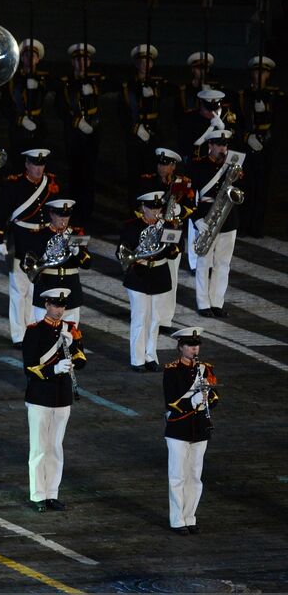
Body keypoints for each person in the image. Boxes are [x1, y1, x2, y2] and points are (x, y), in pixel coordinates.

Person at [23, 288, 87, 512]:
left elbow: (81, 359)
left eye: (62, 306)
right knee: (39, 448)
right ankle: (37, 495)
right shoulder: (34, 331)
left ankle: (52, 493)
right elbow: (30, 368)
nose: (59, 310)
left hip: (62, 395)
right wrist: (53, 369)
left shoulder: (70, 329)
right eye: (55, 305)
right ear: (46, 305)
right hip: (40, 395)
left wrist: (71, 350)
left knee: (56, 447)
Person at [0, 149, 58, 344]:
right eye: (35, 165)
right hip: (20, 240)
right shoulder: (14, 184)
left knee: (37, 291)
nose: (39, 169)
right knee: (19, 290)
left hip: (44, 241)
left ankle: (33, 329)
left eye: (42, 165)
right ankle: (19, 335)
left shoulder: (50, 183)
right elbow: (1, 211)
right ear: (27, 165)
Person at [163, 327, 219, 535]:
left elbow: (215, 396)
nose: (194, 349)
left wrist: (207, 399)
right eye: (190, 345)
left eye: (196, 345)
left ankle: (190, 516)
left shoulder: (206, 369)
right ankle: (177, 519)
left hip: (200, 429)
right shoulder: (171, 370)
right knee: (177, 476)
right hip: (178, 428)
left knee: (195, 476)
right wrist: (192, 402)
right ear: (181, 347)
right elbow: (171, 403)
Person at [134, 149, 194, 331]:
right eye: (160, 163)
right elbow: (137, 206)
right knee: (149, 278)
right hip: (152, 234)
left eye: (166, 164)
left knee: (171, 278)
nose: (162, 167)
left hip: (171, 234)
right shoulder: (147, 181)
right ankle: (150, 317)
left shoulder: (183, 183)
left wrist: (176, 211)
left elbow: (191, 207)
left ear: (173, 166)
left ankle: (165, 320)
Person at [121, 191, 179, 371]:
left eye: (158, 208)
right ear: (142, 208)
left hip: (160, 273)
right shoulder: (131, 226)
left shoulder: (167, 226)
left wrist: (172, 244)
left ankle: (150, 355)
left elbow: (175, 250)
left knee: (155, 319)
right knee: (140, 318)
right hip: (138, 274)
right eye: (151, 208)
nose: (155, 212)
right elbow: (122, 250)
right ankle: (137, 359)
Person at [186, 128, 240, 319]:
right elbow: (188, 196)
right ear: (210, 145)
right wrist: (196, 219)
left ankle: (217, 302)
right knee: (203, 262)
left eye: (225, 145)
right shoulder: (197, 165)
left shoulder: (232, 166)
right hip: (206, 218)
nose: (223, 149)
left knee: (223, 264)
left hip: (228, 219)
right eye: (219, 145)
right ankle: (203, 303)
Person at [25, 198, 91, 325]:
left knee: (71, 338)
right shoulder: (40, 235)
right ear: (51, 214)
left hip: (71, 292)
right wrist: (45, 256)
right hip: (47, 290)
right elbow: (28, 265)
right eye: (60, 215)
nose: (64, 219)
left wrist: (78, 252)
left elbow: (87, 264)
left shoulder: (76, 235)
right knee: (45, 338)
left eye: (67, 216)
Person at [59, 43, 103, 221]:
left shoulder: (95, 82)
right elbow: (60, 107)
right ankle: (74, 213)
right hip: (74, 135)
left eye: (85, 60)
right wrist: (77, 122)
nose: (82, 63)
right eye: (78, 60)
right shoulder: (67, 83)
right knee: (74, 175)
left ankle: (87, 213)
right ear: (72, 62)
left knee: (89, 175)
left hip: (92, 134)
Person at [236, 56, 279, 237]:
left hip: (265, 147)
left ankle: (257, 227)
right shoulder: (243, 95)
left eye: (262, 72)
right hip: (248, 145)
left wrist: (267, 137)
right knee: (246, 186)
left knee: (262, 188)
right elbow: (237, 121)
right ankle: (245, 225)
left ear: (268, 75)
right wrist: (247, 136)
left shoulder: (273, 96)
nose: (258, 76)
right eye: (255, 72)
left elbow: (278, 122)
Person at [120, 44, 164, 185]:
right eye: (142, 61)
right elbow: (121, 113)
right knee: (135, 171)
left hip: (154, 133)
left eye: (148, 61)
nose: (145, 65)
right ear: (136, 63)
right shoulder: (129, 86)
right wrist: (135, 128)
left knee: (152, 170)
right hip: (134, 135)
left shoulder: (157, 85)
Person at [2, 38, 49, 149]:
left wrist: (38, 84)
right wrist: (20, 119)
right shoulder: (12, 80)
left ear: (38, 59)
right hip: (18, 127)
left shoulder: (44, 79)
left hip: (38, 125)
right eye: (27, 55)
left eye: (33, 55)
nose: (30, 58)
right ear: (22, 58)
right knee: (18, 158)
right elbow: (4, 106)